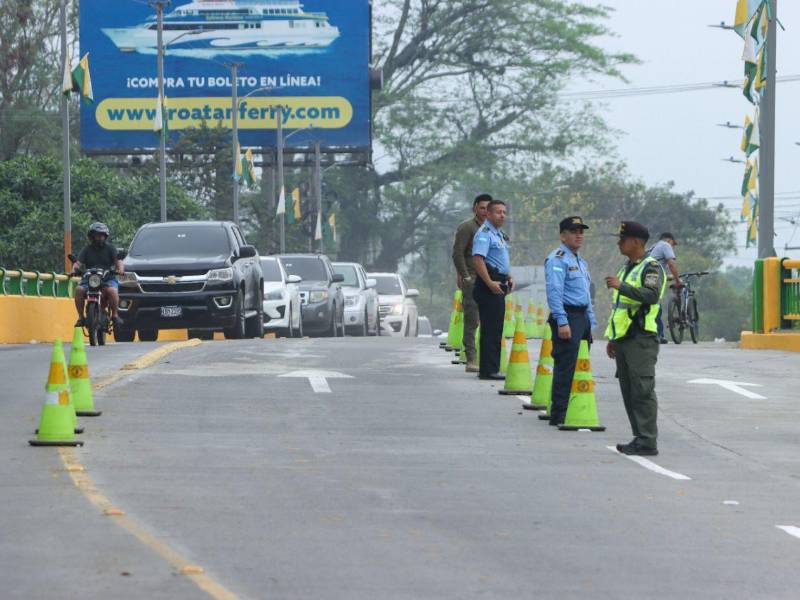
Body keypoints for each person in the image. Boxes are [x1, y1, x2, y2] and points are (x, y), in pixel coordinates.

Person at [604, 221, 666, 456]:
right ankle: (639, 437)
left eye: (623, 239)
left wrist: (621, 286)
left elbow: (650, 295)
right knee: (629, 391)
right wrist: (613, 338)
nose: (619, 243)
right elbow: (620, 308)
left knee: (642, 390)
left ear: (637, 242)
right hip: (624, 338)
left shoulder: (651, 268)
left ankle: (648, 441)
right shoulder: (627, 268)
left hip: (641, 338)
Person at [544, 216, 597, 426]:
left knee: (579, 366)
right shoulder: (558, 259)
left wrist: (591, 322)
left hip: (581, 317)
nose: (579, 235)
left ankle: (574, 408)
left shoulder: (580, 261)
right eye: (573, 231)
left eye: (581, 231)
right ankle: (559, 412)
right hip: (568, 316)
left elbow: (586, 295)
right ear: (562, 235)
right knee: (566, 366)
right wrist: (562, 321)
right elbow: (554, 291)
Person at [471, 199, 514, 380]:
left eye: (504, 212)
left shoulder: (498, 234)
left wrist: (509, 276)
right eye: (498, 212)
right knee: (490, 329)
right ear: (488, 214)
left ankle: (492, 368)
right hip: (488, 285)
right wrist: (489, 282)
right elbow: (478, 259)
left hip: (498, 282)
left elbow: (499, 260)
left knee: (496, 329)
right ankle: (488, 370)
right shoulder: (484, 233)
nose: (502, 215)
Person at [452, 194, 492, 372]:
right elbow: (457, 253)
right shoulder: (467, 227)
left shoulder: (492, 229)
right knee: (472, 320)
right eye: (482, 208)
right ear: (475, 208)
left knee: (489, 321)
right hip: (473, 279)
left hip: (490, 279)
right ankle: (471, 359)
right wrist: (465, 275)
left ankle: (488, 359)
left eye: (488, 208)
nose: (485, 211)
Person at [72, 222, 125, 328]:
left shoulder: (110, 248)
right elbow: (78, 263)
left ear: (105, 236)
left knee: (112, 291)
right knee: (79, 290)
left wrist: (120, 270)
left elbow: (118, 261)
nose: (100, 237)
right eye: (97, 235)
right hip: (90, 279)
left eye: (102, 235)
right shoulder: (86, 249)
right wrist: (75, 270)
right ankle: (81, 317)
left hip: (107, 278)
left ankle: (115, 316)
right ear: (92, 236)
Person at [647, 232, 681, 344]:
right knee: (655, 305)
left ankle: (650, 333)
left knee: (650, 303)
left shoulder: (653, 247)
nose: (673, 247)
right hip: (653, 277)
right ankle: (658, 335)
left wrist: (666, 276)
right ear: (669, 240)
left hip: (647, 276)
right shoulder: (665, 245)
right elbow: (671, 264)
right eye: (673, 244)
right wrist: (677, 280)